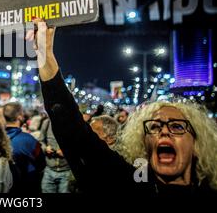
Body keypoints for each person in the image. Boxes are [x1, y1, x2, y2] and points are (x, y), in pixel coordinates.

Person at [28, 19, 217, 194]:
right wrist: (45, 55)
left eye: (177, 126)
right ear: (144, 144)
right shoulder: (127, 184)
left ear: (196, 144)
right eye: (154, 126)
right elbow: (74, 133)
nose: (164, 132)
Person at [3, 102, 45, 193]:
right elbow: (42, 163)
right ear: (19, 117)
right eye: (22, 113)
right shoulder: (28, 140)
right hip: (26, 188)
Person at [39, 118, 72, 193]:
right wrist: (45, 148)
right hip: (49, 170)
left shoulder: (72, 124)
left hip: (67, 171)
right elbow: (41, 141)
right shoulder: (47, 123)